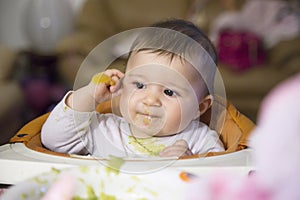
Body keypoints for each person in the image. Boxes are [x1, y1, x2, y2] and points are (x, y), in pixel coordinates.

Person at [41, 19, 224, 158]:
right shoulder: (105, 130)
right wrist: (90, 95)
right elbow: (54, 140)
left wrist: (191, 163)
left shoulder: (200, 140)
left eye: (169, 92)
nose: (150, 100)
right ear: (123, 86)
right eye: (140, 85)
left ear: (199, 108)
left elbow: (222, 182)